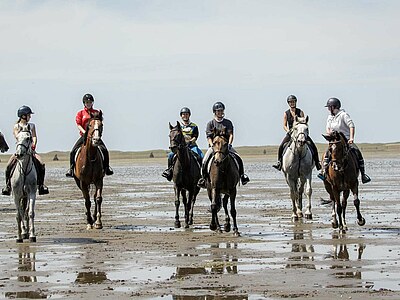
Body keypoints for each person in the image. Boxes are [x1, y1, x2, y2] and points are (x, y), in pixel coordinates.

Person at [317, 97, 371, 184]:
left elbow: (351, 126)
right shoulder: (330, 117)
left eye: (329, 107)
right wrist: (329, 133)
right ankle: (323, 172)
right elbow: (328, 127)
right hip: (334, 140)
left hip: (345, 140)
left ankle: (363, 175)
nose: (328, 109)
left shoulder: (343, 115)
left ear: (334, 107)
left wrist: (351, 138)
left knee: (357, 152)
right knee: (327, 153)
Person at [197, 101, 250, 188]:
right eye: (218, 111)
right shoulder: (210, 123)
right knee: (205, 160)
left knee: (238, 158)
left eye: (221, 111)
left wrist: (229, 144)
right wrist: (211, 145)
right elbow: (209, 137)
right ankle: (203, 179)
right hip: (214, 147)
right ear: (215, 112)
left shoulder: (228, 123)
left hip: (225, 146)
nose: (220, 113)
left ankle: (242, 176)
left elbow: (231, 135)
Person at [1, 105, 49, 195]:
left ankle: (41, 185)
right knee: (8, 166)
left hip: (31, 150)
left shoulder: (32, 125)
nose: (30, 117)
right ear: (23, 116)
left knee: (42, 164)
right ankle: (7, 186)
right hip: (20, 150)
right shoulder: (16, 126)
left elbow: (34, 136)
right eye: (28, 115)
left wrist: (34, 144)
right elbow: (17, 136)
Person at [65, 93, 113, 177]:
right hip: (84, 136)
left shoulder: (96, 112)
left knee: (104, 150)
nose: (88, 103)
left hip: (95, 136)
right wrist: (84, 132)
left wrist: (97, 133)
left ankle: (106, 168)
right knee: (73, 151)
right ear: (84, 103)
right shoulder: (81, 113)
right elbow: (78, 124)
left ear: (92, 103)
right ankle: (71, 169)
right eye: (87, 102)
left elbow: (100, 124)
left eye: (90, 102)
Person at [273, 95, 321, 171]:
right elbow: (284, 125)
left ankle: (317, 163)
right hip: (291, 133)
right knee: (281, 146)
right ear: (288, 103)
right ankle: (279, 162)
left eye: (293, 102)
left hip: (301, 133)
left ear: (295, 102)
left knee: (312, 145)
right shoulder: (286, 113)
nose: (292, 103)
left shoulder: (300, 112)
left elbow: (304, 122)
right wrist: (288, 131)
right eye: (290, 102)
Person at [162, 107, 204, 181]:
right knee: (170, 155)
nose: (185, 116)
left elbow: (195, 136)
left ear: (189, 115)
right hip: (180, 147)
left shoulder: (194, 126)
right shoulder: (178, 127)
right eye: (183, 114)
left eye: (187, 114)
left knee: (201, 156)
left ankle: (202, 175)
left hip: (191, 146)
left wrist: (190, 141)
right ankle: (169, 172)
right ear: (181, 116)